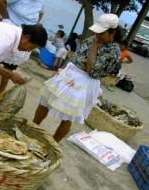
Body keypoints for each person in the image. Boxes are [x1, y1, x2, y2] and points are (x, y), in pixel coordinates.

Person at [32, 13, 123, 142]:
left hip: (85, 81)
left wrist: (94, 48)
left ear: (112, 32)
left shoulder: (113, 52)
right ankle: (32, 127)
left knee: (68, 116)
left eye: (101, 33)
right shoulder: (93, 39)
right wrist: (62, 69)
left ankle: (52, 144)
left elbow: (92, 71)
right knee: (46, 101)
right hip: (71, 72)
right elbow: (76, 57)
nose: (97, 36)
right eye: (97, 33)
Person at [0, 0, 47, 97]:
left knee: (10, 66)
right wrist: (5, 17)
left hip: (25, 36)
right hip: (10, 29)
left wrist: (34, 26)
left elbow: (40, 14)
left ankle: (0, 92)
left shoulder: (41, 2)